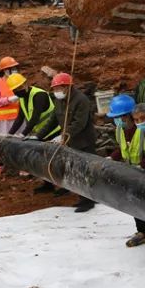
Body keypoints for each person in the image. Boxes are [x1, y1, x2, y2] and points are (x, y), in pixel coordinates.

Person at [105, 94, 145, 247]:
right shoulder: (120, 130)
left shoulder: (143, 129)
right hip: (133, 171)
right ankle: (142, 232)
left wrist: (142, 166)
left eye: (120, 117)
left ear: (129, 115)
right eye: (115, 117)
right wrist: (112, 157)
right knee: (134, 203)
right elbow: (122, 147)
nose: (117, 120)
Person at [39, 72, 98, 213]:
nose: (56, 91)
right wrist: (38, 136)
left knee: (84, 171)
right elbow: (53, 120)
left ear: (68, 87)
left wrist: (63, 136)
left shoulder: (81, 100)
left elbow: (79, 123)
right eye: (55, 89)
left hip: (84, 141)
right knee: (73, 170)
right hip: (70, 142)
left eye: (59, 88)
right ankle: (82, 196)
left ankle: (88, 201)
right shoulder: (59, 100)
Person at [8, 74, 61, 141]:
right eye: (15, 90)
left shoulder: (39, 95)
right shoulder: (22, 98)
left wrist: (23, 134)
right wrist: (10, 134)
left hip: (52, 132)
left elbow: (35, 117)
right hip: (39, 134)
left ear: (26, 84)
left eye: (20, 87)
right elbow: (20, 118)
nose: (18, 91)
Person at [0, 57, 22, 139]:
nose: (15, 71)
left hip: (19, 120)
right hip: (2, 121)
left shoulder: (19, 82)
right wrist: (10, 99)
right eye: (12, 69)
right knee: (3, 144)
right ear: (5, 70)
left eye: (15, 68)